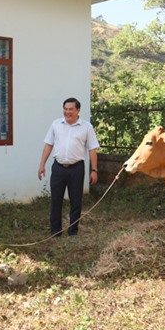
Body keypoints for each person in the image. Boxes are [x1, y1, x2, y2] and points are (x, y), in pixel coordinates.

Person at [38, 97, 100, 236]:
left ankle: (73, 231)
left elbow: (92, 149)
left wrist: (94, 170)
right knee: (56, 200)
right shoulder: (56, 124)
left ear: (78, 110)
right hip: (58, 168)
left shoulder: (86, 127)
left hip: (76, 169)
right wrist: (42, 165)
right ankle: (55, 231)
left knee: (76, 201)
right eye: (65, 109)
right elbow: (48, 144)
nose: (67, 112)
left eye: (71, 109)